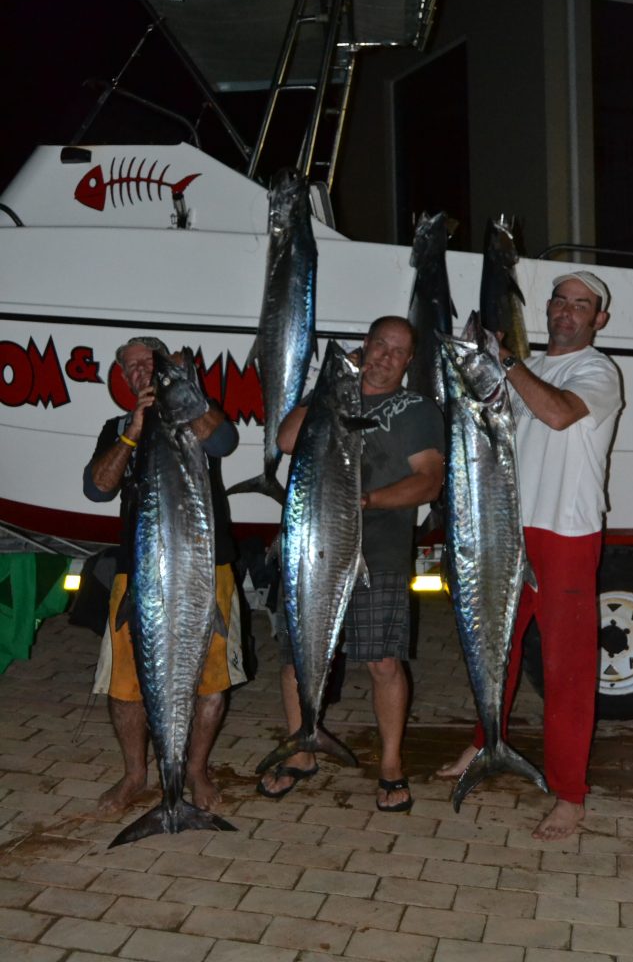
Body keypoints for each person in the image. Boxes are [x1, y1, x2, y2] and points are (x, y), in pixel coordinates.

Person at [437, 271, 623, 840]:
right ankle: (484, 743)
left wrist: (507, 361)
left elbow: (560, 414)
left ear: (598, 320)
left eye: (581, 306)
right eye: (560, 302)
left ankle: (570, 795)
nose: (567, 312)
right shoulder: (527, 370)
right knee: (495, 647)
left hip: (564, 534)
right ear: (547, 308)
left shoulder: (598, 371)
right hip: (505, 531)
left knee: (568, 670)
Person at [257, 316, 445, 811]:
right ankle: (303, 747)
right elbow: (286, 441)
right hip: (312, 548)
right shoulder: (333, 393)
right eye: (378, 344)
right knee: (297, 661)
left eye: (397, 351)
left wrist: (367, 500)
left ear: (408, 362)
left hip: (377, 550)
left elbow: (429, 482)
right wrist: (329, 385)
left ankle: (390, 764)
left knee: (382, 660)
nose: (384, 356)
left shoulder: (417, 409)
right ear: (366, 345)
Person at [84, 336, 245, 816]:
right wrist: (133, 431)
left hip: (204, 568)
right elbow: (96, 489)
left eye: (147, 362)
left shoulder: (196, 417)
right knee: (125, 686)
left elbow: (224, 441)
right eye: (130, 366)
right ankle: (137, 774)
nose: (140, 371)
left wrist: (183, 395)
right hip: (141, 578)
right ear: (123, 377)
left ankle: (192, 771)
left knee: (212, 682)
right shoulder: (117, 427)